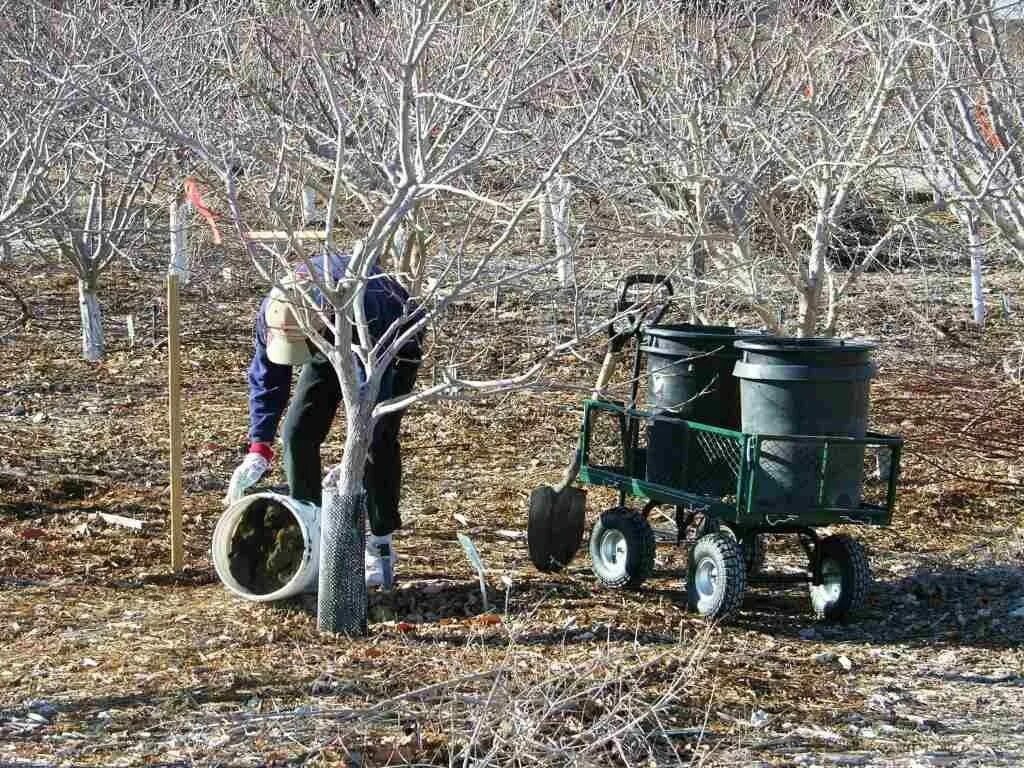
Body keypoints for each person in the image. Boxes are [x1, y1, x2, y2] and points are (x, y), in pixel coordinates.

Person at [225, 250, 422, 587]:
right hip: (324, 338)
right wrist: (258, 447)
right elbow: (266, 377)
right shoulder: (275, 312)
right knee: (297, 433)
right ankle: (309, 529)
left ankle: (379, 540)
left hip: (388, 341)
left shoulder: (365, 311)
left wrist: (352, 461)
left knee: (377, 440)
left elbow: (369, 403)